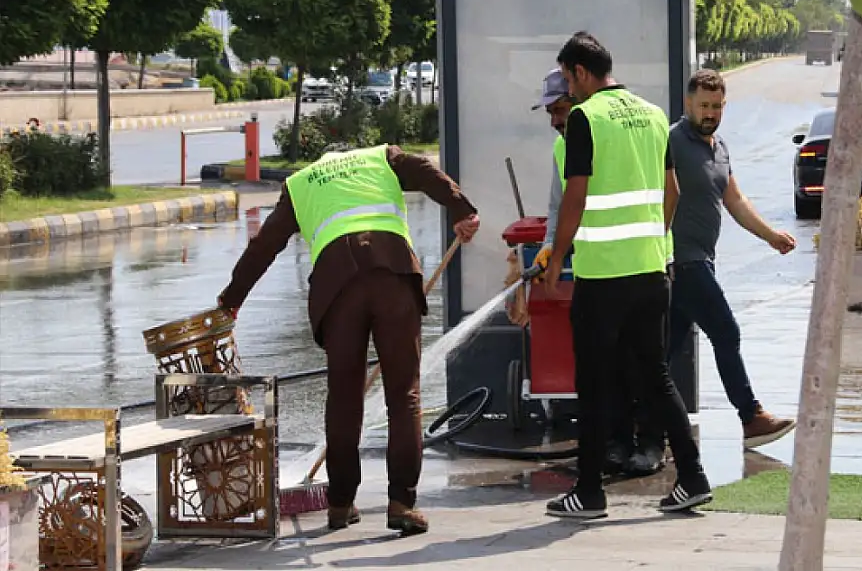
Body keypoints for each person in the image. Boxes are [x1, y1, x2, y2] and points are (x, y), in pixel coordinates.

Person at [216, 144, 480, 534]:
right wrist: (462, 209)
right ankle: (401, 503)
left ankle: (340, 504)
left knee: (343, 397)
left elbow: (264, 246)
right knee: (404, 395)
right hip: (392, 274)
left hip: (337, 287)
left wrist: (231, 300)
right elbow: (426, 171)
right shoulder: (380, 157)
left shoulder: (300, 183)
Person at [543, 31, 711, 519]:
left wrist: (556, 259)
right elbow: (672, 191)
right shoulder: (654, 115)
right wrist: (652, 240)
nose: (567, 91)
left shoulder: (584, 117)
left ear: (579, 72)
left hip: (602, 277)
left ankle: (590, 493)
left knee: (594, 382)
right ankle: (694, 477)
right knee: (656, 376)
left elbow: (576, 195)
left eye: (568, 79)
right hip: (652, 271)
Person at [531, 68, 660, 477]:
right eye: (550, 112)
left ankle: (653, 446)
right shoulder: (562, 146)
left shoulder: (610, 134)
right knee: (609, 365)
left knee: (645, 365)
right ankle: (617, 445)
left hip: (641, 264)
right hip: (599, 269)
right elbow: (560, 205)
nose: (554, 119)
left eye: (560, 109)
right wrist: (551, 248)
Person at [667, 69, 798, 449]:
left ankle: (634, 423)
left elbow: (734, 200)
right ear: (688, 104)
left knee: (664, 352)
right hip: (681, 262)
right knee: (726, 331)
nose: (710, 113)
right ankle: (751, 416)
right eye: (703, 105)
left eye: (717, 106)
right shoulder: (672, 142)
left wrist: (771, 236)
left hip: (701, 261)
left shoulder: (719, 146)